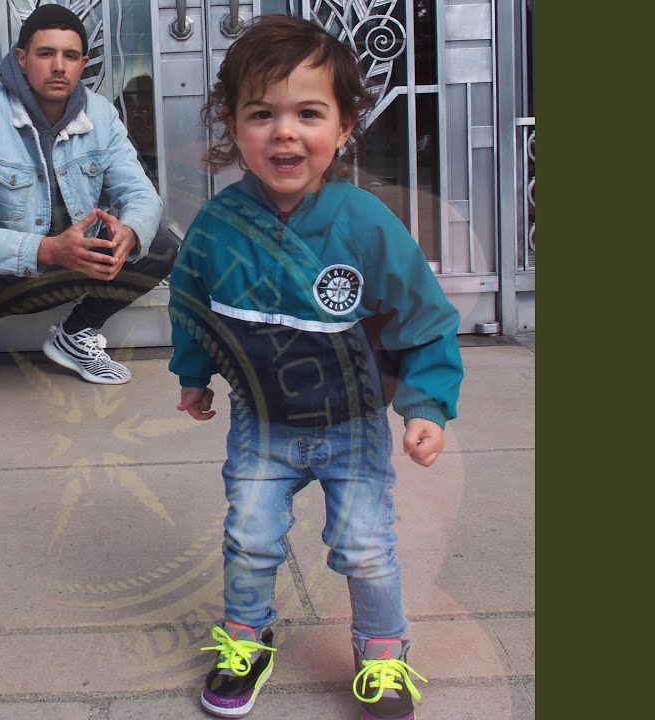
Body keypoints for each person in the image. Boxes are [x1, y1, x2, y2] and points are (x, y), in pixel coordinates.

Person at [166, 15, 463, 720]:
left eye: (308, 113)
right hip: (262, 424)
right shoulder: (215, 228)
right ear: (232, 125)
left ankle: (382, 653)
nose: (285, 134)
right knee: (249, 537)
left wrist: (425, 403)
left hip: (351, 426)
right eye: (261, 114)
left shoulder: (367, 223)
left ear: (345, 124)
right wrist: (192, 374)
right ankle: (247, 639)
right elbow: (192, 303)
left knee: (365, 546)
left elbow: (423, 318)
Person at [0, 2, 173, 403]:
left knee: (159, 243)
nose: (59, 66)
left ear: (83, 63)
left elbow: (140, 193)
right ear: (21, 59)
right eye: (46, 53)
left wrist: (129, 231)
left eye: (70, 55)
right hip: (1, 273)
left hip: (72, 261)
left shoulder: (101, 115)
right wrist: (47, 249)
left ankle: (75, 335)